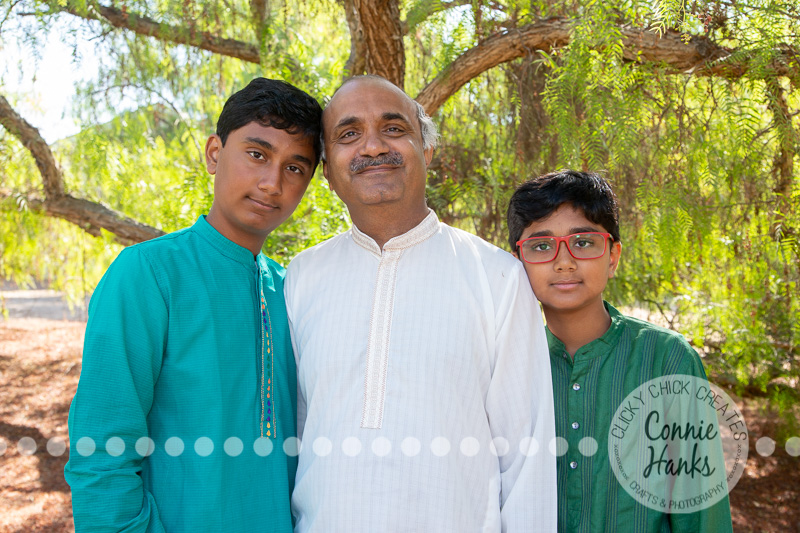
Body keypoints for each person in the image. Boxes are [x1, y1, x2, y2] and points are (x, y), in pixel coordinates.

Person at [284, 75, 556, 532]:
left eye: (393, 128)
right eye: (349, 134)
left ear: (426, 149)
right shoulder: (301, 278)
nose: (372, 147)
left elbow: (527, 454)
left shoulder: (497, 277)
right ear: (327, 170)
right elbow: (295, 432)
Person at [65, 78, 322, 532]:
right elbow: (102, 449)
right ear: (214, 153)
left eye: (295, 168)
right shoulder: (148, 274)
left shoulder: (292, 290)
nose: (271, 182)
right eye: (257, 154)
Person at [506, 169, 735, 533]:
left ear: (612, 256)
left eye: (583, 242)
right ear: (517, 263)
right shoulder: (502, 364)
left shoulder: (666, 360)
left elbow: (701, 512)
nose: (563, 261)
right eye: (541, 245)